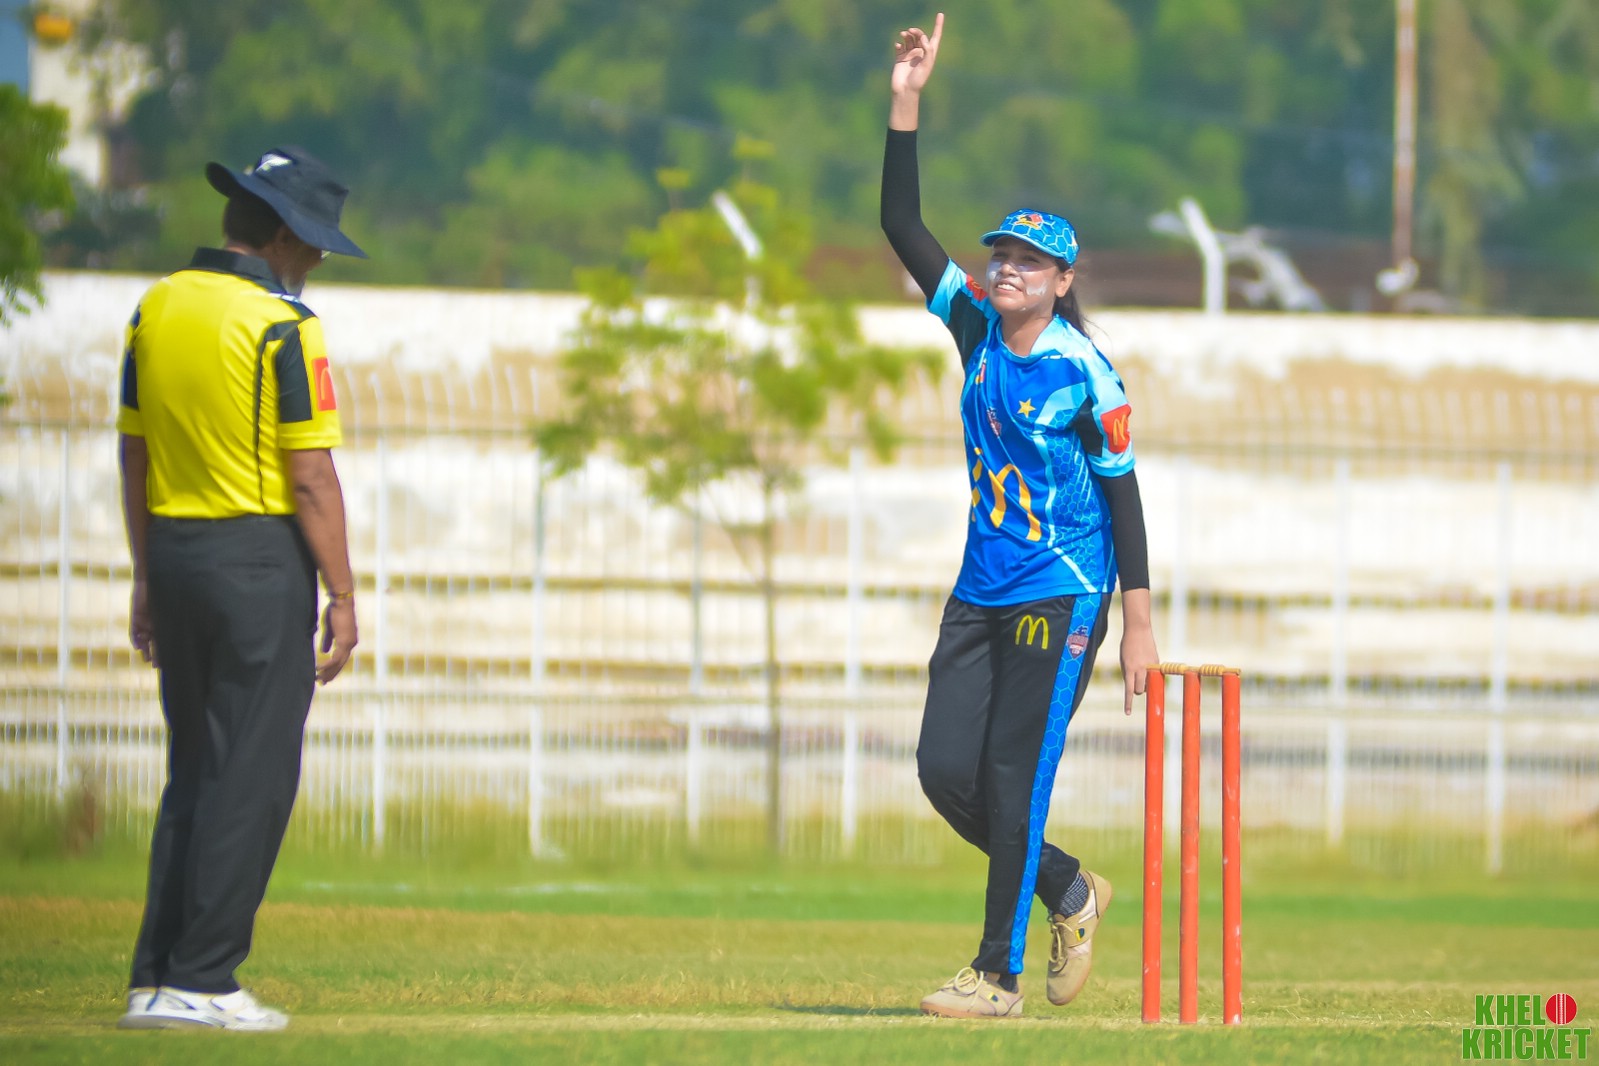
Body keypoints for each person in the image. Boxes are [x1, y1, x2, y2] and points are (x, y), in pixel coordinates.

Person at [880, 14, 1160, 1019]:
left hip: (1064, 589)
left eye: (1029, 262)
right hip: (980, 586)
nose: (1006, 268)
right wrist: (906, 100)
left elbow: (1123, 490)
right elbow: (902, 226)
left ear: (1062, 282)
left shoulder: (1086, 373)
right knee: (944, 770)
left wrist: (1138, 622)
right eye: (1002, 254)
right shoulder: (974, 327)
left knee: (1011, 771)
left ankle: (994, 976)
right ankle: (1069, 887)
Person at [113, 146, 365, 1031]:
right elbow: (310, 476)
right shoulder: (282, 325)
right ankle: (205, 981)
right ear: (285, 233)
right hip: (256, 562)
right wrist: (342, 594)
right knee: (249, 776)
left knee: (194, 768)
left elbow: (135, 452)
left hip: (175, 551)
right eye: (317, 239)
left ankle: (157, 977)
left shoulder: (156, 307)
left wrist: (146, 572)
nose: (321, 256)